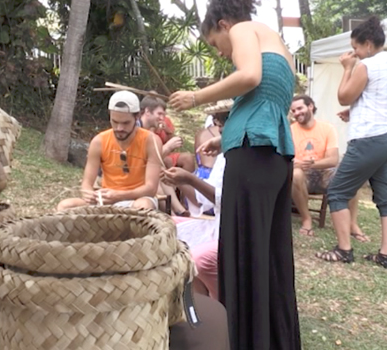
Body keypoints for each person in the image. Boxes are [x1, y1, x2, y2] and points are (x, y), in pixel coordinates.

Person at [167, 0, 302, 348]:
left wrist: (196, 97)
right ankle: (273, 339)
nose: (222, 53)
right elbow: (261, 98)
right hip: (268, 155)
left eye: (214, 43)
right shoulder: (279, 48)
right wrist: (226, 142)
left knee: (243, 251)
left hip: (254, 157)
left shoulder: (243, 29)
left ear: (224, 25)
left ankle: (245, 339)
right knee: (267, 254)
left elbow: (249, 77)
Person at [316, 17, 387, 267]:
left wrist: (347, 67)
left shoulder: (367, 65)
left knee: (337, 191)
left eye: (356, 48)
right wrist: (355, 112)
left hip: (367, 138)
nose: (353, 53)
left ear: (368, 44)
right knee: (385, 197)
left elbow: (345, 96)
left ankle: (344, 250)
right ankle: (385, 254)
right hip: (385, 138)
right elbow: (376, 99)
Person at [56, 90, 162, 211]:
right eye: (115, 122)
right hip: (105, 200)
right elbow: (87, 183)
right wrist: (89, 194)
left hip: (137, 199)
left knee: (143, 206)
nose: (119, 128)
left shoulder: (151, 141)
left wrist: (119, 196)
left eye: (126, 123)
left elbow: (151, 188)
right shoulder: (99, 141)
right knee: (65, 206)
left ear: (137, 117)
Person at [162, 111, 229, 300]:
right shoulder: (224, 155)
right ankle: (197, 302)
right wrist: (182, 180)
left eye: (223, 128)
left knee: (197, 258)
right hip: (216, 222)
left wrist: (189, 179)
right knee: (165, 226)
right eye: (218, 128)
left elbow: (223, 200)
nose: (219, 133)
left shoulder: (242, 155)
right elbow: (206, 199)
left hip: (232, 229)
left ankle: (218, 304)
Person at [290, 95, 367, 240]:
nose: (296, 113)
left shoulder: (327, 128)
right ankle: (307, 220)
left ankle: (352, 224)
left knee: (352, 176)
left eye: (299, 108)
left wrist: (312, 163)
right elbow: (289, 158)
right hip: (303, 177)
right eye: (293, 111)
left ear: (310, 106)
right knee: (295, 174)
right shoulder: (290, 130)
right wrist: (299, 163)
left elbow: (333, 160)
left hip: (325, 174)